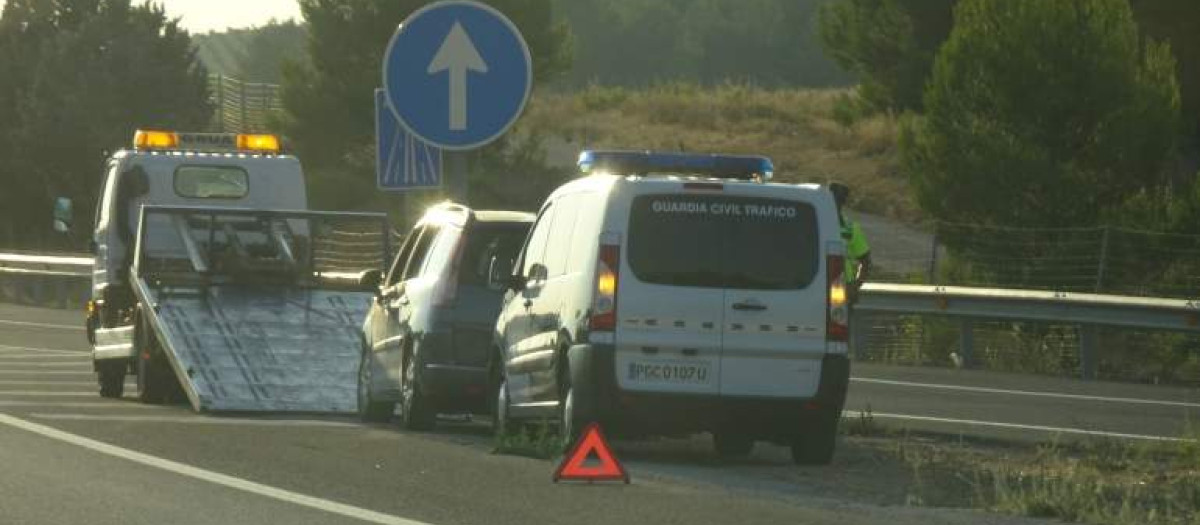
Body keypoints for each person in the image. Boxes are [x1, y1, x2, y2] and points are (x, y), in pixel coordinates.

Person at [829, 182, 871, 301]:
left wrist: (855, 285)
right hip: (815, 284)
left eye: (839, 200)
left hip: (842, 285)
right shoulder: (814, 223)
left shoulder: (850, 228)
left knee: (838, 318)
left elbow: (865, 260)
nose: (836, 204)